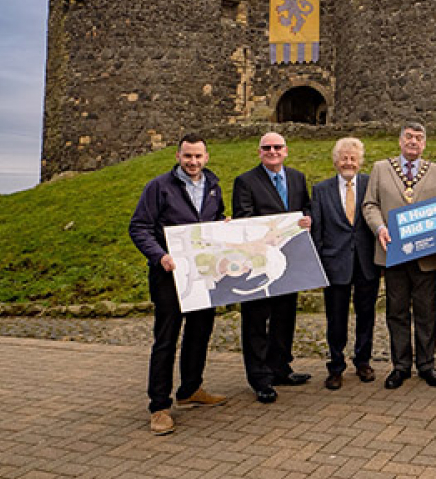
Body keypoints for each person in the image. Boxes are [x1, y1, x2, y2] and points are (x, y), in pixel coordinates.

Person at [129, 134, 227, 435]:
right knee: (166, 339)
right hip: (168, 275)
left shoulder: (213, 185)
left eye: (198, 156)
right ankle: (159, 406)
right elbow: (139, 227)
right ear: (177, 156)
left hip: (203, 274)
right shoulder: (158, 187)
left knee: (199, 332)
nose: (193, 162)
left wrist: (224, 226)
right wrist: (160, 256)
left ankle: (190, 389)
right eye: (188, 156)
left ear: (206, 157)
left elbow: (215, 218)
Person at [361, 122, 436, 389]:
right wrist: (380, 228)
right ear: (400, 141)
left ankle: (427, 364)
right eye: (409, 137)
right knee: (396, 312)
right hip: (392, 252)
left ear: (425, 144)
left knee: (426, 312)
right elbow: (370, 204)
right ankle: (400, 366)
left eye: (419, 138)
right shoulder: (380, 169)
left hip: (426, 255)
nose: (413, 141)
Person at [232, 132, 313, 404]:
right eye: (267, 147)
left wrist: (307, 220)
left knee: (284, 316)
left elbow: (305, 209)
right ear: (259, 152)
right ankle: (259, 378)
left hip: (289, 260)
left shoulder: (297, 178)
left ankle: (280, 368)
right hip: (258, 261)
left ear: (286, 150)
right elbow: (243, 218)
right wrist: (272, 231)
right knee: (256, 320)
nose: (272, 151)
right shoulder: (245, 181)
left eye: (277, 147)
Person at [310, 137, 381, 390]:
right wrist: (318, 262)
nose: (348, 162)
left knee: (366, 315)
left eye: (353, 158)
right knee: (336, 319)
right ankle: (336, 366)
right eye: (344, 158)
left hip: (366, 262)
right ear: (336, 161)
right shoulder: (321, 190)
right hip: (334, 263)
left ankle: (363, 361)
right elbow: (317, 230)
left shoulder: (371, 185)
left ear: (360, 162)